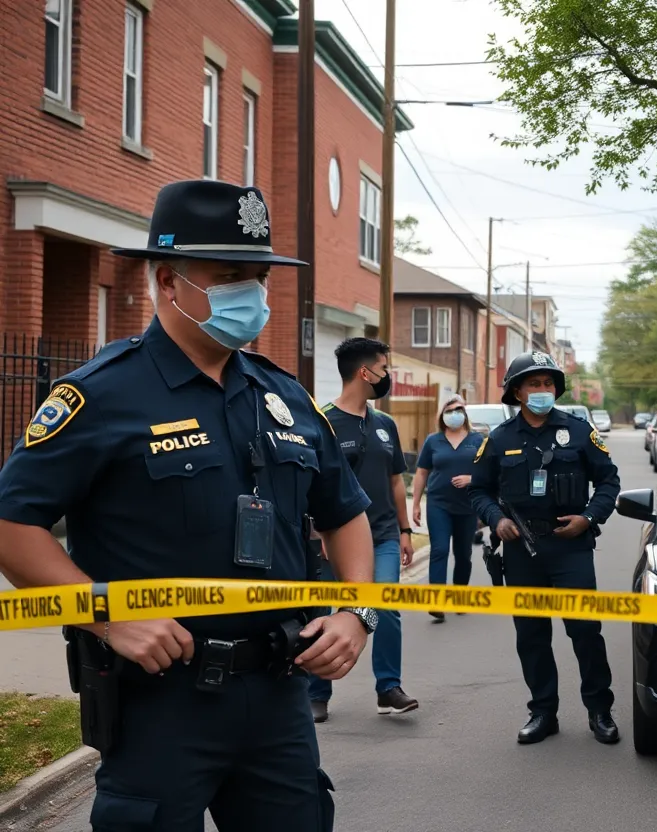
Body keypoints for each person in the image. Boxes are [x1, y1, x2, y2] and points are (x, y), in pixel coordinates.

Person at [0, 179, 377, 831]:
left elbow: (344, 513)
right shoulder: (101, 395)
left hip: (278, 694)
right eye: (229, 275)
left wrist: (355, 610)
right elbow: (11, 526)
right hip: (158, 701)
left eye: (257, 276)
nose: (252, 295)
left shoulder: (281, 395)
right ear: (168, 282)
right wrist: (106, 615)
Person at [468, 351, 622, 745]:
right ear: (517, 391)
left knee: (585, 632)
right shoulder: (499, 440)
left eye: (548, 383)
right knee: (532, 636)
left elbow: (608, 481)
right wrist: (496, 520)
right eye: (533, 384)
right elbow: (479, 490)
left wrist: (588, 518)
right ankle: (542, 712)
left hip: (571, 547)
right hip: (522, 550)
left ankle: (599, 710)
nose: (542, 390)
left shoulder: (579, 430)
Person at [308, 338, 419, 723]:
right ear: (364, 372)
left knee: (384, 608)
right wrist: (320, 532)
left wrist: (405, 530)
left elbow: (394, 483)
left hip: (383, 536)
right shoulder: (321, 422)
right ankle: (317, 692)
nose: (388, 376)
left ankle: (389, 688)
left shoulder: (385, 425)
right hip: (333, 538)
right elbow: (311, 484)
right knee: (324, 612)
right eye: (385, 369)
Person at [411, 395, 481, 622]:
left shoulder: (477, 440)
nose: (455, 414)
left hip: (467, 506)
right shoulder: (433, 441)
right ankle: (437, 602)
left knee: (463, 554)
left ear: (465, 414)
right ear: (442, 415)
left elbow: (490, 472)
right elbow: (422, 472)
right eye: (450, 410)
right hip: (438, 504)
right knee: (439, 550)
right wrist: (415, 504)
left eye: (459, 409)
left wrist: (472, 478)